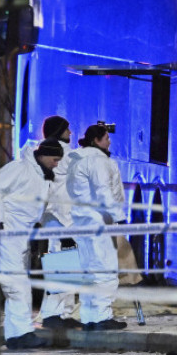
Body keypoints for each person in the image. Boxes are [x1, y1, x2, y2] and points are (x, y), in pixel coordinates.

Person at [0, 137, 64, 350]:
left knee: (18, 283)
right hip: (8, 232)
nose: (56, 164)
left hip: (20, 235)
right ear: (43, 156)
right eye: (54, 159)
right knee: (17, 285)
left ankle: (17, 334)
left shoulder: (42, 176)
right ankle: (21, 333)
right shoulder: (18, 169)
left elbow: (44, 206)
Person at [65, 123, 128, 331]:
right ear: (96, 140)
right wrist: (118, 218)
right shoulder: (98, 161)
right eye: (106, 138)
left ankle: (90, 316)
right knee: (106, 269)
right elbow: (104, 192)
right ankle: (101, 317)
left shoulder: (77, 160)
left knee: (89, 271)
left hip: (81, 220)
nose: (109, 141)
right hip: (101, 221)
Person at [36, 115, 83, 330]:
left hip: (60, 217)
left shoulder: (55, 154)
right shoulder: (63, 155)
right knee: (61, 265)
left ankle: (62, 313)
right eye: (67, 129)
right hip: (60, 218)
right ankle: (54, 314)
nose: (70, 133)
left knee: (65, 265)